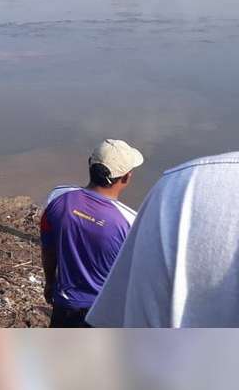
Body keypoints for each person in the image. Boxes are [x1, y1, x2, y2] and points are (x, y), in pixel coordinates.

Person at [87, 151, 239, 328]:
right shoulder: (128, 219)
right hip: (92, 299)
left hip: (66, 300)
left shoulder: (62, 195)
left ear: (90, 164)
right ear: (127, 177)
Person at [40, 139, 143, 327]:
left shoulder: (58, 197)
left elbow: (48, 248)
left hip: (64, 303)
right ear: (127, 177)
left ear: (90, 164)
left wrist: (50, 282)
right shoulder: (131, 222)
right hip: (103, 310)